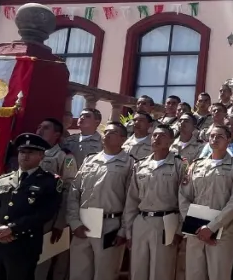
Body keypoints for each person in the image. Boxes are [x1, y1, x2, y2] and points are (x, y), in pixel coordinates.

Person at [0, 133, 63, 280]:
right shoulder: (2, 181)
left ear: (41, 156)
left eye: (30, 153)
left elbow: (45, 212)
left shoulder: (49, 182)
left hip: (24, 245)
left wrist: (12, 228)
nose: (25, 156)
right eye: (22, 152)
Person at [179, 123, 233, 280]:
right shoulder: (196, 165)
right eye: (212, 136)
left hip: (223, 232)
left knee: (218, 275)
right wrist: (194, 225)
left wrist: (212, 227)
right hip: (195, 232)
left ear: (229, 140)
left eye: (220, 136)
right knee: (194, 275)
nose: (215, 139)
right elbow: (183, 195)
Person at [66, 122, 134, 280]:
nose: (107, 135)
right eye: (106, 132)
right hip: (84, 222)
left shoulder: (130, 163)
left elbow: (131, 200)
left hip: (111, 225)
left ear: (123, 139)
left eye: (113, 133)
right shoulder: (90, 160)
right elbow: (74, 192)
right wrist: (74, 222)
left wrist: (124, 230)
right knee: (78, 273)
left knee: (105, 274)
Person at [122, 124, 184, 280]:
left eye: (162, 135)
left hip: (166, 222)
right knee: (137, 270)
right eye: (154, 135)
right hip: (141, 222)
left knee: (161, 270)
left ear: (170, 140)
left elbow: (185, 200)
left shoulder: (179, 165)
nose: (156, 138)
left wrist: (179, 230)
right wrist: (128, 231)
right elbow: (132, 200)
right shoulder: (140, 165)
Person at [36, 118, 78, 280]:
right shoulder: (28, 153)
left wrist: (60, 222)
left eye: (46, 128)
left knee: (42, 265)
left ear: (57, 135)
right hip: (26, 217)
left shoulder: (64, 157)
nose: (40, 130)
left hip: (49, 218)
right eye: (39, 126)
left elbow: (68, 189)